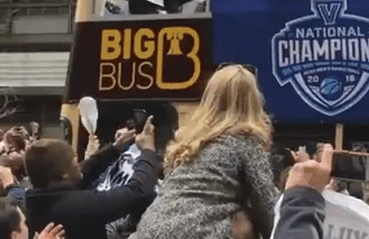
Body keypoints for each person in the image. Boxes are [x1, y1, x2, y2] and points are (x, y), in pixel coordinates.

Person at [132, 65, 279, 239]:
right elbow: (267, 205)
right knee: (245, 222)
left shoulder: (187, 142)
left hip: (148, 231)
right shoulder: (245, 139)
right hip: (199, 234)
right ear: (253, 100)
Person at [24, 122, 159, 239]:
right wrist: (148, 152)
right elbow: (136, 193)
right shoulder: (77, 207)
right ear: (63, 175)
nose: (79, 165)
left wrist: (114, 148)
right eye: (75, 161)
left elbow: (84, 171)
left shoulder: (35, 201)